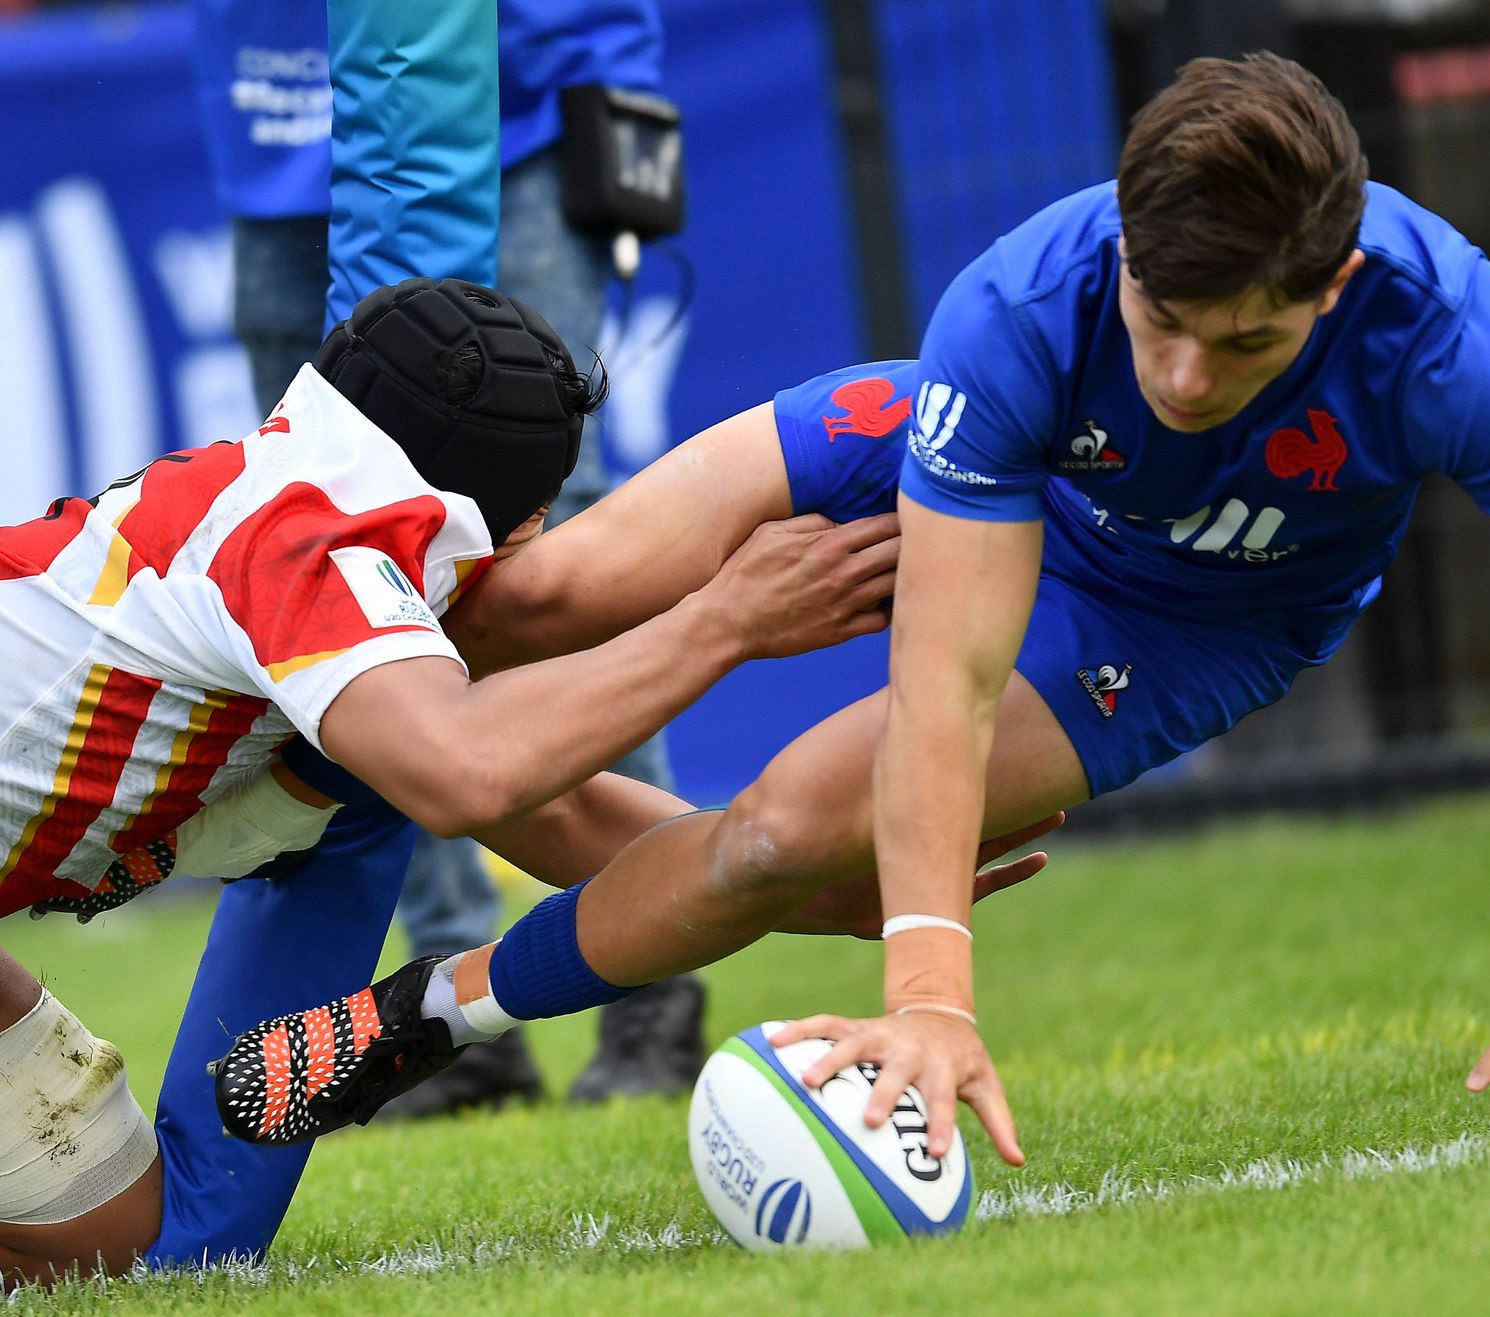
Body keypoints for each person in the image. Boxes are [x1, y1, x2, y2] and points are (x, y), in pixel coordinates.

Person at [215, 51, 1490, 1171]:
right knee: (538, 596)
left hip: (1195, 615)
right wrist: (927, 973)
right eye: (1162, 322)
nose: (1184, 379)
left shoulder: (1454, 346)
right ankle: (212, 757)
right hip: (976, 446)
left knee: (784, 828)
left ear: (1337, 286)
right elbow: (946, 680)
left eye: (1246, 345)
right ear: (1122, 243)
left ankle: (432, 1013)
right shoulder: (1022, 309)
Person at [0, 275, 902, 1288]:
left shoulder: (298, 505)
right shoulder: (312, 544)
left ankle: (408, 994)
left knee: (137, 1247)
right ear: (505, 520)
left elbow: (559, 808)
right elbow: (472, 775)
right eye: (539, 525)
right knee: (397, 761)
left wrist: (815, 886)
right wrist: (726, 621)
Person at [194, 0, 695, 1115]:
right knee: (321, 555)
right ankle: (457, 1005)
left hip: (516, 120)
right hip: (272, 143)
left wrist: (618, 72)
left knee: (538, 542)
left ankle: (655, 972)